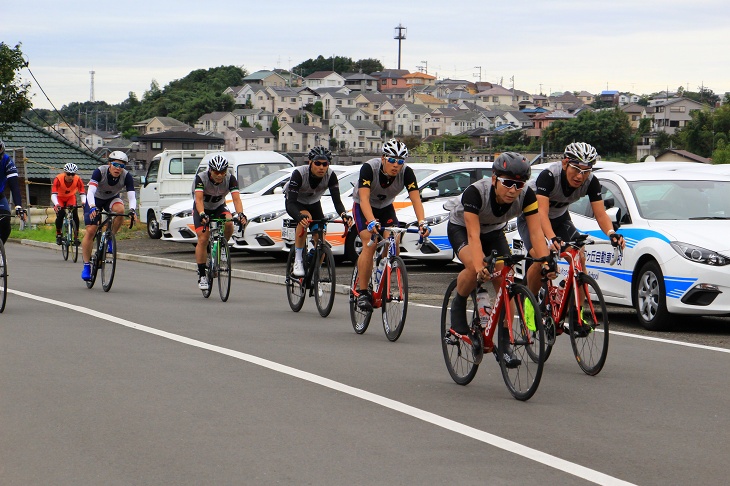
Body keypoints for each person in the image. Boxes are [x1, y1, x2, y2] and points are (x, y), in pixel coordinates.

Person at [447, 152, 554, 368]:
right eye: (507, 183)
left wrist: (545, 261)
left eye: (519, 184)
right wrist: (479, 266)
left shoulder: (527, 196)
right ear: (495, 179)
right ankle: (458, 304)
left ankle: (505, 344)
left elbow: (535, 233)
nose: (513, 190)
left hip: (494, 231)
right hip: (462, 228)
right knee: (473, 265)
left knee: (507, 281)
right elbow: (473, 236)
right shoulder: (476, 193)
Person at [516, 142, 625, 335]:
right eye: (576, 169)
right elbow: (541, 213)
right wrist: (550, 238)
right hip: (532, 218)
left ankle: (576, 314)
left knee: (579, 255)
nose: (580, 176)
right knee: (541, 257)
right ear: (565, 163)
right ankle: (530, 303)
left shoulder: (591, 181)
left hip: (559, 218)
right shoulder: (549, 176)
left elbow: (600, 214)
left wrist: (612, 233)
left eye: (586, 171)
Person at [352, 138, 430, 311]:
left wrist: (422, 223)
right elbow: (364, 199)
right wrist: (371, 221)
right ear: (383, 158)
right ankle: (363, 292)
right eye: (392, 160)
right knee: (369, 243)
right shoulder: (369, 169)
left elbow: (416, 200)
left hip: (385, 207)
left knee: (394, 239)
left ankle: (382, 265)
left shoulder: (407, 173)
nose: (396, 165)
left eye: (400, 161)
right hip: (364, 207)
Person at [284, 146, 352, 277]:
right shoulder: (299, 174)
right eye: (317, 163)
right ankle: (298, 258)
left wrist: (344, 215)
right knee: (305, 218)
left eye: (325, 164)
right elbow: (291, 202)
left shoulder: (331, 176)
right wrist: (299, 216)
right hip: (295, 202)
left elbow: (337, 201)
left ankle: (315, 272)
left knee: (321, 241)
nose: (321, 167)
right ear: (310, 162)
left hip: (314, 203)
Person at [193, 153, 246, 291]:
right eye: (216, 172)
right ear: (210, 170)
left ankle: (223, 246)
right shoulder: (201, 178)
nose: (220, 175)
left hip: (218, 207)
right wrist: (202, 214)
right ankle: (202, 274)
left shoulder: (230, 179)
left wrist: (240, 214)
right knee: (203, 238)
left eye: (223, 171)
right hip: (202, 209)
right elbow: (198, 200)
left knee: (229, 222)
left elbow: (236, 199)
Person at [81, 151, 137, 281]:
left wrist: (133, 210)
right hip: (94, 199)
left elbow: (132, 196)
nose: (118, 168)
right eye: (116, 165)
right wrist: (93, 206)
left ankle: (110, 237)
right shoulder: (100, 172)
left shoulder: (126, 176)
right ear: (109, 164)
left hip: (111, 199)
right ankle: (86, 265)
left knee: (120, 210)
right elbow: (90, 192)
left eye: (121, 166)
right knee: (91, 230)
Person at [51, 163, 86, 245]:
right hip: (59, 197)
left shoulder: (78, 179)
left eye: (73, 174)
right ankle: (59, 235)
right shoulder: (58, 179)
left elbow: (82, 193)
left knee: (75, 215)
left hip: (70, 197)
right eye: (68, 174)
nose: (71, 176)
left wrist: (84, 202)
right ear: (64, 173)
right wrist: (56, 204)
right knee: (61, 214)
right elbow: (53, 194)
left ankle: (76, 237)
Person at [0, 140, 27, 242]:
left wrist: (18, 206)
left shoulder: (7, 160)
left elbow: (14, 185)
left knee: (6, 223)